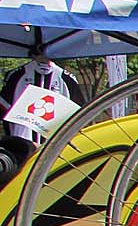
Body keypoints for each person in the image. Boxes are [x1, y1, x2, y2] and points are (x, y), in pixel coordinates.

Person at [0, 54, 79, 183]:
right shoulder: (16, 76)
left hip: (54, 151)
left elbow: (78, 118)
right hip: (22, 151)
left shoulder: (66, 79)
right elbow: (4, 109)